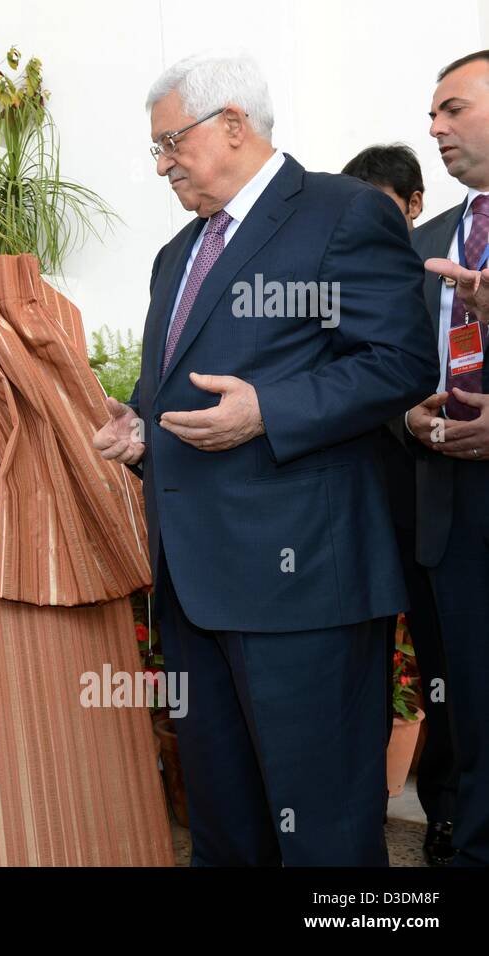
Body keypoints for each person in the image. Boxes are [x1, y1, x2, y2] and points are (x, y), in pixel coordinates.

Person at [93, 52, 438, 865]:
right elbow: (173, 396)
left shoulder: (343, 213)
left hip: (303, 592)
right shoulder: (177, 254)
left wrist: (268, 412)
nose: (163, 162)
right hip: (194, 591)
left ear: (235, 125)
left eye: (171, 141)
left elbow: (399, 361)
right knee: (224, 829)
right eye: (157, 148)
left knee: (322, 832)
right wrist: (139, 431)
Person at [341, 143, 457, 867]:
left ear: (414, 204)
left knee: (451, 667)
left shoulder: (442, 257)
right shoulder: (353, 274)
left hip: (450, 497)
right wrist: (400, 414)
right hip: (373, 503)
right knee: (370, 668)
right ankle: (372, 815)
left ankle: (448, 813)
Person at [404, 48, 489, 868]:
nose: (434, 128)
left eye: (452, 109)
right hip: (440, 511)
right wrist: (403, 410)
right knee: (457, 702)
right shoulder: (422, 241)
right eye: (431, 113)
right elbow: (382, 362)